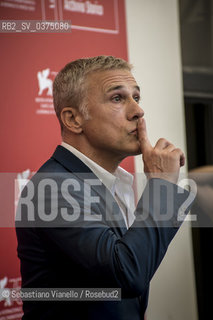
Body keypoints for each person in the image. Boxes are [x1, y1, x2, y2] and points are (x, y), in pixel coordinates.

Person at [16, 55, 192, 320]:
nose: (138, 111)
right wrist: (161, 185)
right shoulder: (51, 188)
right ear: (74, 119)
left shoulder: (112, 181)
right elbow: (126, 274)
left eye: (136, 97)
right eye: (118, 98)